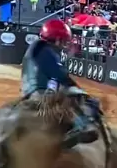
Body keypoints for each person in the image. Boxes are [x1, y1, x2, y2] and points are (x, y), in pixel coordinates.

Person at [21, 18, 99, 148]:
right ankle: (83, 126)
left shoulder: (38, 48)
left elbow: (52, 74)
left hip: (29, 93)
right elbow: (60, 76)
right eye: (63, 41)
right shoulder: (46, 50)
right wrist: (80, 91)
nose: (64, 44)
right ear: (57, 39)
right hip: (39, 94)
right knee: (73, 96)